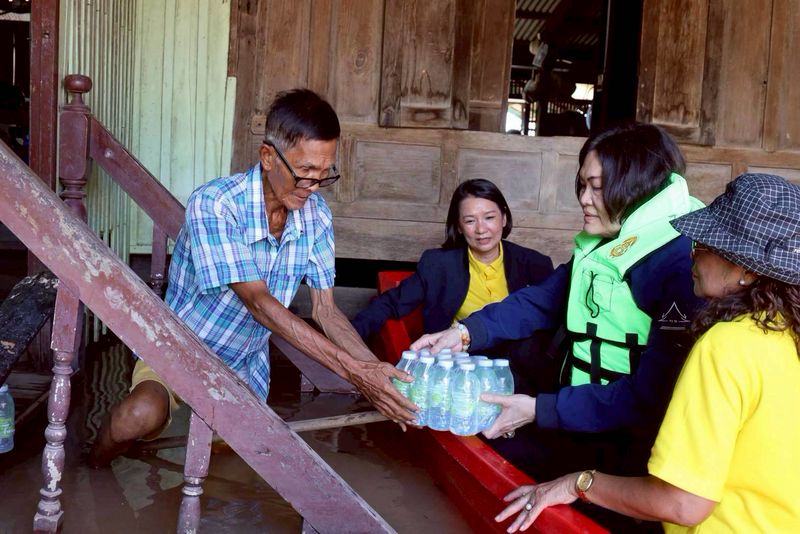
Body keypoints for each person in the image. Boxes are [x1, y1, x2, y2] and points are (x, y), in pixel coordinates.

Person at [89, 89, 416, 467]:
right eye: (305, 172)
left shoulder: (317, 215)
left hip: (243, 363)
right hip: (178, 347)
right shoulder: (216, 203)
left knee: (231, 462)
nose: (312, 187)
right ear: (268, 156)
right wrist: (355, 372)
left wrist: (375, 373)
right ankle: (92, 467)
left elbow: (326, 311)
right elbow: (258, 302)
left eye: (324, 175)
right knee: (137, 416)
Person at [497, 173, 800, 533]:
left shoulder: (727, 345)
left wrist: (577, 483)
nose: (692, 255)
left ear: (746, 270)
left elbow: (683, 503)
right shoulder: (786, 331)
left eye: (704, 244)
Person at [412, 123, 706, 487]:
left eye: (597, 187)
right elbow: (544, 298)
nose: (583, 198)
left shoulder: (680, 261)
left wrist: (539, 409)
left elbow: (653, 395)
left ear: (637, 186)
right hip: (581, 408)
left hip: (633, 439)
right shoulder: (609, 239)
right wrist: (465, 333)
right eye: (582, 185)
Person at [352, 178, 554, 392]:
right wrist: (346, 342)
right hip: (461, 371)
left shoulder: (534, 263)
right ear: (458, 226)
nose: (481, 229)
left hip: (519, 369)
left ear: (504, 218)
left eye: (489, 218)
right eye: (470, 221)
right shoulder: (439, 265)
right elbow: (390, 303)